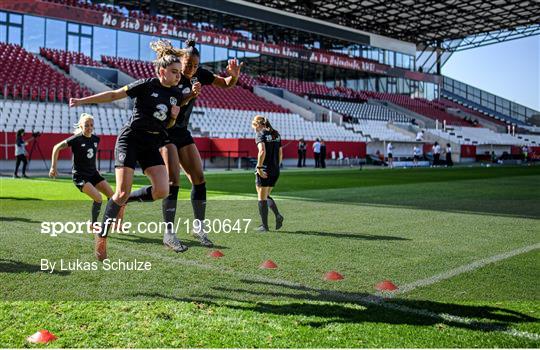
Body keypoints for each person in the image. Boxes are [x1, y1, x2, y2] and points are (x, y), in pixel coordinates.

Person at [69, 39, 195, 260]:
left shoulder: (175, 95)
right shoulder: (145, 85)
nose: (178, 76)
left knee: (162, 190)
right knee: (121, 191)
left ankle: (125, 201)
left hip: (151, 144)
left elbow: (167, 126)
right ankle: (102, 236)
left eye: (179, 72)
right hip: (131, 140)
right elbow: (113, 95)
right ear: (161, 71)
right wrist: (82, 100)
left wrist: (174, 118)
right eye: (174, 72)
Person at [160, 39, 244, 247]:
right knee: (173, 181)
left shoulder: (199, 75)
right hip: (165, 132)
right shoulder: (171, 73)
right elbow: (169, 101)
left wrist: (234, 76)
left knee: (199, 178)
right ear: (181, 60)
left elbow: (225, 84)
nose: (191, 69)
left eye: (195, 65)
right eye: (188, 64)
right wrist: (189, 94)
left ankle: (198, 227)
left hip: (182, 133)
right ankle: (169, 232)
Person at [49, 113, 124, 228]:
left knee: (112, 196)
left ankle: (112, 222)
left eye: (91, 125)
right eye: (86, 125)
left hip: (93, 174)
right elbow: (56, 147)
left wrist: (96, 168)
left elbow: (92, 156)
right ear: (81, 126)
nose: (89, 128)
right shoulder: (76, 139)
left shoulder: (95, 139)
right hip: (80, 177)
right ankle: (93, 224)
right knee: (98, 198)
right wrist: (53, 167)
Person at [252, 115, 284, 232]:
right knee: (266, 196)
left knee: (261, 197)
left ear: (258, 125)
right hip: (275, 170)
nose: (254, 128)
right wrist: (276, 166)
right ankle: (278, 215)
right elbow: (281, 154)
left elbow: (262, 151)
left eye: (254, 126)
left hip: (264, 169)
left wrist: (259, 167)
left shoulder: (261, 134)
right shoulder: (276, 134)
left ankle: (264, 226)